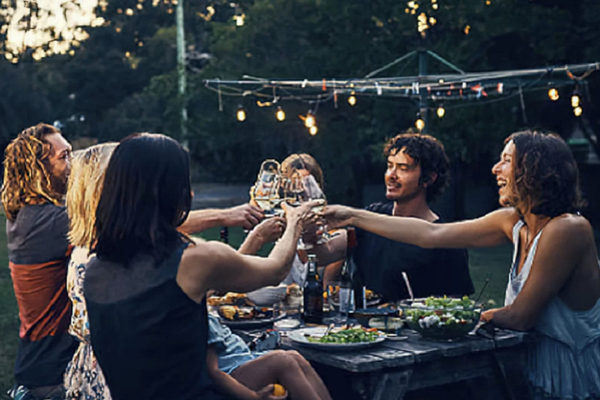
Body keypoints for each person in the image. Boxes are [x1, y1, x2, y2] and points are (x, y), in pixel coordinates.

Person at [323, 130, 600, 399]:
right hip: (523, 363)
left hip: (566, 374)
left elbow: (520, 317)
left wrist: (453, 315)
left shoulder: (568, 229)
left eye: (506, 160)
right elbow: (430, 234)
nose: (495, 169)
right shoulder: (513, 221)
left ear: (535, 170)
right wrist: (352, 216)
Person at [83, 133, 319, 400]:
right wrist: (296, 221)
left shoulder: (94, 272)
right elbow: (275, 269)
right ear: (173, 192)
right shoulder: (194, 259)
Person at [339, 133, 473, 302]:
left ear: (428, 179)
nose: (391, 175)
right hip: (361, 327)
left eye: (403, 168)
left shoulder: (447, 240)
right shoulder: (372, 217)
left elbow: (456, 306)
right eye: (389, 166)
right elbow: (326, 251)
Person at [1, 123, 78, 400]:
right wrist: (220, 217)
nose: (73, 163)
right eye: (64, 156)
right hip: (52, 377)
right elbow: (135, 227)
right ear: (40, 170)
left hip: (39, 366)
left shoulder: (29, 216)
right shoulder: (48, 222)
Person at [207, 313, 332, 400]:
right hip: (228, 376)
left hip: (242, 360)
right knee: (282, 361)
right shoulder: (200, 318)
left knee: (294, 355)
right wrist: (252, 397)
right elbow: (213, 372)